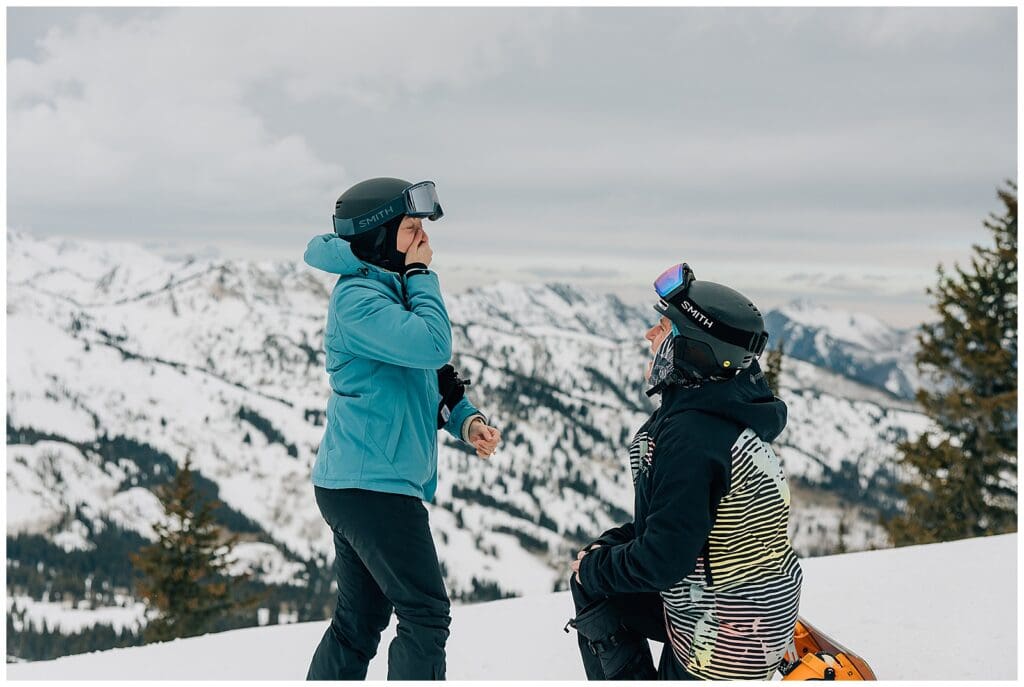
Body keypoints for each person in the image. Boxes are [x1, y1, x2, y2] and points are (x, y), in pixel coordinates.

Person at [303, 177, 501, 681]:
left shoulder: (385, 289)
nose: (422, 242)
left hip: (361, 482)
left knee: (359, 622)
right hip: (372, 487)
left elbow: (425, 375)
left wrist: (466, 419)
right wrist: (420, 274)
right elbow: (433, 344)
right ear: (377, 236)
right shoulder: (358, 301)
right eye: (411, 230)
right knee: (425, 615)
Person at [566, 262, 802, 681]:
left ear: (690, 348)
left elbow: (663, 561)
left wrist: (592, 568)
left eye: (662, 328)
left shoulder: (692, 438)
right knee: (597, 576)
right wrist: (607, 547)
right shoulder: (719, 415)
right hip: (756, 609)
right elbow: (681, 527)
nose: (649, 336)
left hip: (722, 638)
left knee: (591, 582)